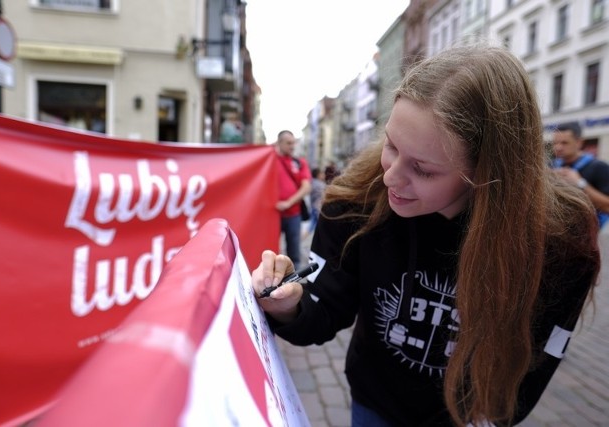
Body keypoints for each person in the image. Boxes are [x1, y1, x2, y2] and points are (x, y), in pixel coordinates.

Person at [252, 45, 599, 426]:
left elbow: (536, 359)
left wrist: (492, 418)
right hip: (375, 402)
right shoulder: (357, 201)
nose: (391, 177)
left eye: (424, 169)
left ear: (487, 172)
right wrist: (288, 305)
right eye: (391, 145)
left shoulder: (560, 237)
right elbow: (324, 311)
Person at [552, 121, 609, 229]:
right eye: (555, 143)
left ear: (579, 142)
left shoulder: (599, 167)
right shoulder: (552, 166)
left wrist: (580, 183)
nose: (558, 147)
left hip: (588, 236)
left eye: (564, 143)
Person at [275, 130, 312, 269]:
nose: (292, 146)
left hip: (293, 214)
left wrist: (288, 203)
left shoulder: (299, 162)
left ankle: (292, 282)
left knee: (294, 253)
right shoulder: (270, 160)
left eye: (293, 142)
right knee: (270, 250)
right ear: (279, 143)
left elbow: (306, 187)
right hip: (273, 214)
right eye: (288, 143)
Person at [308, 167, 326, 234]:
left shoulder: (312, 182)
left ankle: (301, 237)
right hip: (318, 208)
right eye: (322, 173)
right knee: (317, 225)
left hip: (313, 206)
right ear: (318, 175)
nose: (324, 175)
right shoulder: (321, 185)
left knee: (312, 225)